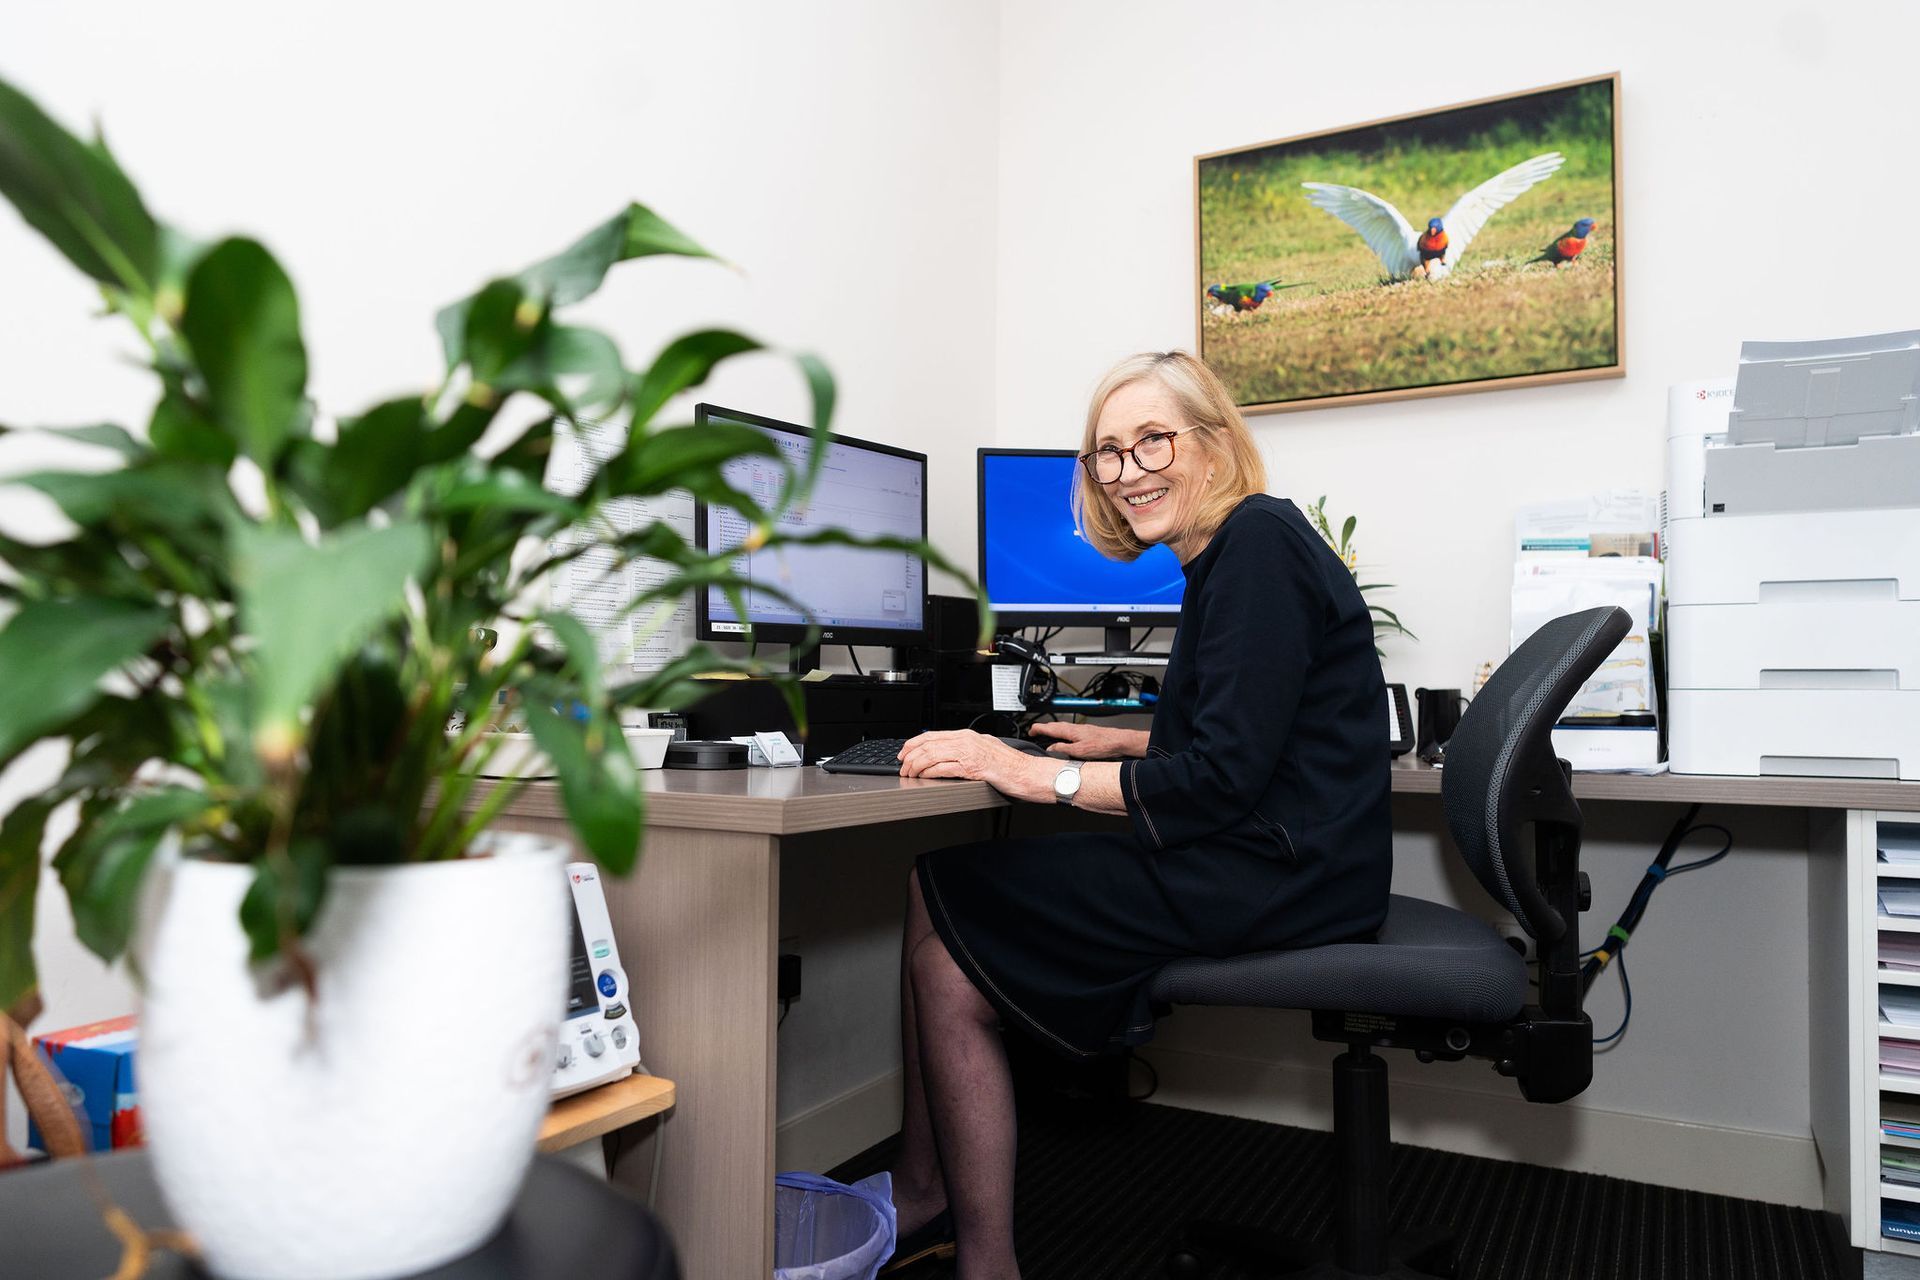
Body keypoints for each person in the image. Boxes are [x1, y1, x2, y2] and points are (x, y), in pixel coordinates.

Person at [885, 351, 1391, 1278]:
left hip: (1277, 876)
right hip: (1290, 856)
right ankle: (919, 1190)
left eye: (1151, 440)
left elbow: (1221, 780)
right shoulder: (1229, 557)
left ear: (1213, 444)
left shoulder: (1259, 545)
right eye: (1107, 454)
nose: (1127, 471)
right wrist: (1132, 744)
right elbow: (1249, 733)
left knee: (945, 962)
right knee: (932, 880)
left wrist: (1030, 774)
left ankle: (982, 1260)